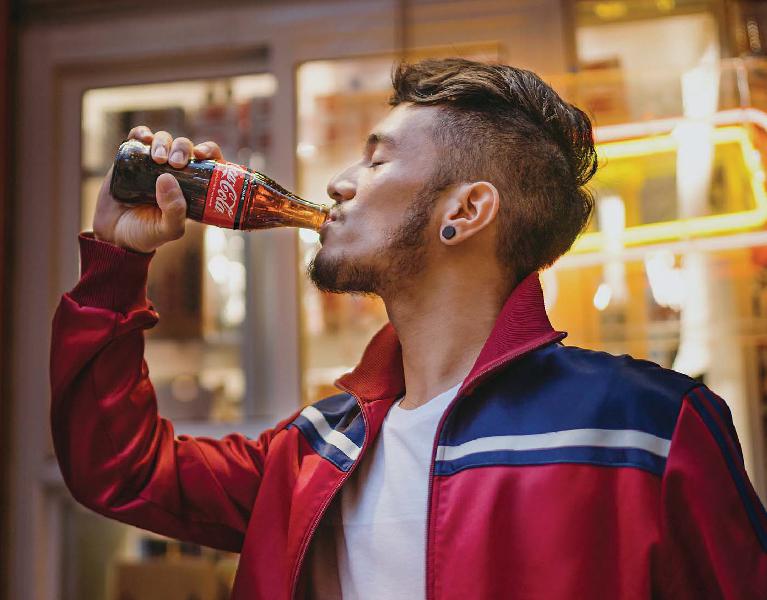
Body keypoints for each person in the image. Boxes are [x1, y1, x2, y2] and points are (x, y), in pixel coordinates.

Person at [50, 58, 767, 599]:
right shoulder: (313, 450)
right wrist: (118, 260)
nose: (338, 183)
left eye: (377, 158)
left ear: (464, 212)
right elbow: (122, 470)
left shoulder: (647, 429)